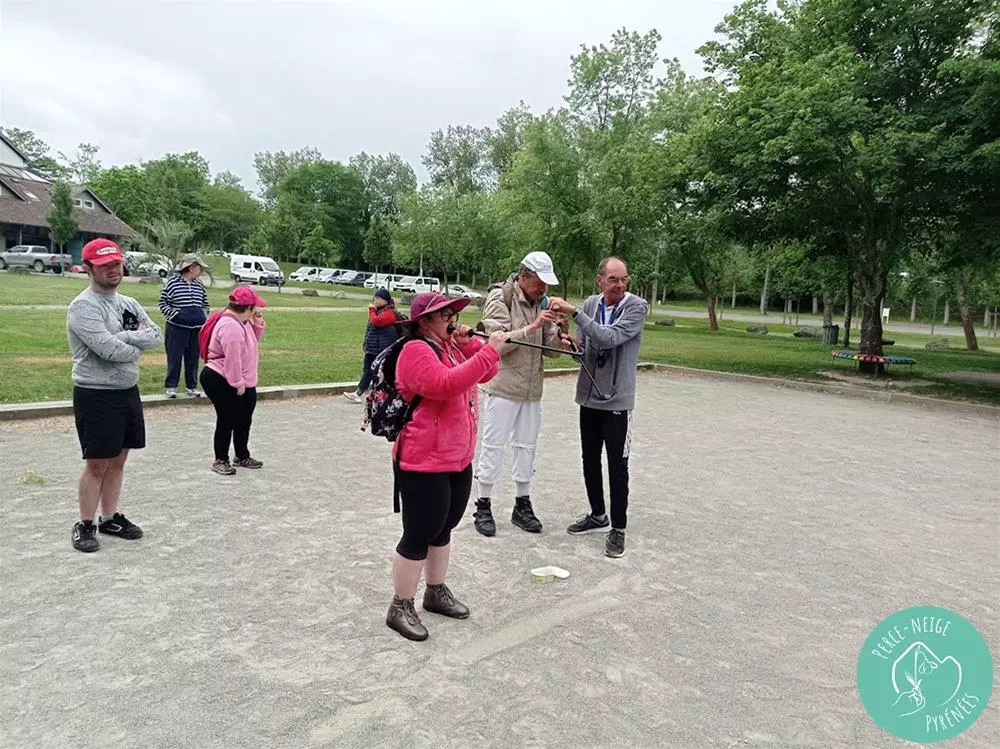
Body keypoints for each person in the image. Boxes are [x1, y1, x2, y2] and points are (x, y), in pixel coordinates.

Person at [385, 292, 505, 641]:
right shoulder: (416, 350)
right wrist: (489, 350)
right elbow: (443, 385)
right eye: (445, 314)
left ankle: (434, 591)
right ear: (424, 321)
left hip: (456, 457)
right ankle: (400, 605)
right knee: (419, 532)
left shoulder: (449, 346)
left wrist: (474, 347)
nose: (452, 319)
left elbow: (486, 373)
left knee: (444, 526)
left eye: (453, 313)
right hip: (424, 459)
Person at [547, 257, 647, 559]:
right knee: (589, 458)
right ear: (599, 279)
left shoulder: (636, 307)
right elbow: (589, 348)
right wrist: (570, 341)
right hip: (589, 397)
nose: (619, 285)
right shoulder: (592, 304)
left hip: (617, 400)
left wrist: (574, 312)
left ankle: (618, 528)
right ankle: (597, 514)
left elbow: (610, 338)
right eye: (613, 279)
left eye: (624, 279)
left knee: (617, 465)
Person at [67, 238, 163, 553]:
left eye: (117, 263)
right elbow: (108, 351)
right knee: (97, 463)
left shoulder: (129, 303)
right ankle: (85, 524)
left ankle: (109, 518)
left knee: (119, 460)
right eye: (105, 265)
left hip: (127, 393)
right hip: (96, 395)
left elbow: (157, 336)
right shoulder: (83, 307)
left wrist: (123, 337)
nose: (113, 269)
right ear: (88, 267)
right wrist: (133, 343)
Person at [473, 251, 572, 536]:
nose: (544, 289)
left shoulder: (543, 303)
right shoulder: (500, 298)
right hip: (503, 386)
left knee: (527, 447)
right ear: (524, 275)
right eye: (540, 282)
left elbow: (549, 352)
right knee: (494, 445)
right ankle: (483, 504)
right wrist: (534, 326)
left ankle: (522, 503)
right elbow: (497, 345)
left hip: (532, 389)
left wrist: (560, 337)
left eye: (547, 284)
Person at [199, 285, 267, 475]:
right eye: (254, 308)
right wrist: (237, 384)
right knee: (227, 419)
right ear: (248, 308)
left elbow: (252, 342)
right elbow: (233, 359)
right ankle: (220, 458)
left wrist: (257, 324)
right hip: (222, 377)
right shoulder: (230, 326)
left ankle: (242, 454)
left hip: (243, 378)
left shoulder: (242, 322)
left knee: (244, 418)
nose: (256, 311)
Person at [158, 253, 209, 398]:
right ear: (192, 268)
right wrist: (176, 315)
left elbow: (205, 303)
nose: (201, 272)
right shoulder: (172, 282)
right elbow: (163, 303)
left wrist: (203, 316)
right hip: (176, 328)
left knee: (193, 358)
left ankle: (191, 387)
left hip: (195, 329)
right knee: (174, 358)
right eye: (200, 268)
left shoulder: (199, 284)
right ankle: (171, 387)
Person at [344, 287, 401, 403]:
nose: (376, 300)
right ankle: (359, 393)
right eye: (375, 297)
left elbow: (377, 321)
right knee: (368, 371)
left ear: (386, 300)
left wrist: (371, 310)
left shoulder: (390, 314)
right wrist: (366, 341)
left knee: (380, 373)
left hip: (382, 348)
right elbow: (370, 327)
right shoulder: (376, 311)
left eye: (379, 298)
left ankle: (383, 395)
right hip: (372, 347)